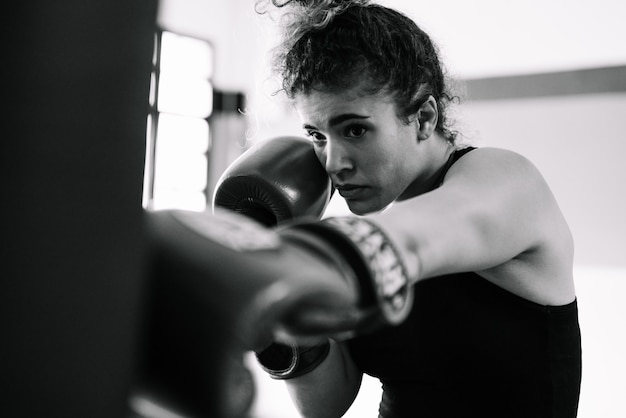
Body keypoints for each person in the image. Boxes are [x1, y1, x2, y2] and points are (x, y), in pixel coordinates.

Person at [252, 1, 582, 417]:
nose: (333, 162)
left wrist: (276, 261)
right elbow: (324, 403)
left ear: (424, 117)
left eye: (355, 129)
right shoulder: (367, 241)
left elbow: (417, 240)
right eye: (317, 135)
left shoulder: (506, 180)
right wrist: (274, 307)